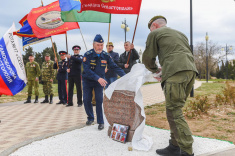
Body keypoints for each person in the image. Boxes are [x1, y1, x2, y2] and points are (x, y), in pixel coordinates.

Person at [142, 15, 198, 156]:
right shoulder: (180, 34)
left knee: (174, 112)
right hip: (190, 72)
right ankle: (174, 145)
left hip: (175, 73)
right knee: (173, 110)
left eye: (150, 29)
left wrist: (155, 70)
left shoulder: (155, 34)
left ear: (154, 25)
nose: (150, 32)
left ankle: (186, 150)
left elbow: (148, 58)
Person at [82, 34, 125, 130]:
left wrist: (125, 76)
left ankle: (100, 121)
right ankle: (90, 117)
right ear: (93, 44)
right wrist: (97, 78)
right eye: (98, 45)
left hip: (99, 82)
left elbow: (114, 66)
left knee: (99, 100)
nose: (100, 47)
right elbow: (87, 70)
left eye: (101, 45)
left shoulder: (106, 55)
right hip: (88, 80)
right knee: (86, 99)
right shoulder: (87, 55)